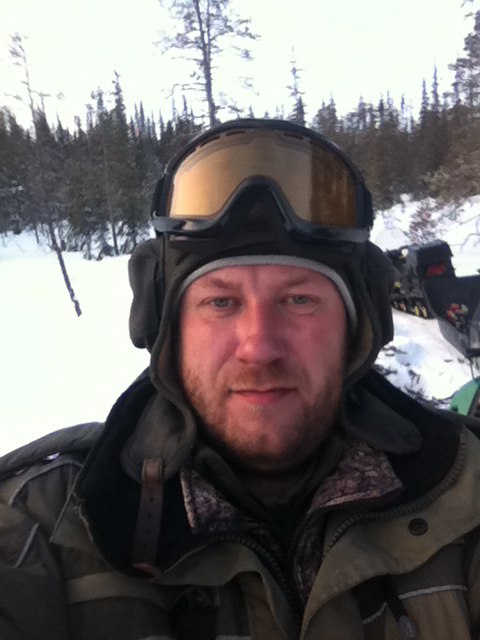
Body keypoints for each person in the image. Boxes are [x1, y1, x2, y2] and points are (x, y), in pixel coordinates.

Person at [1, 119, 480, 640]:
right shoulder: (43, 525)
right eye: (221, 302)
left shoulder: (464, 494)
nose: (259, 346)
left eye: (299, 299)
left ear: (357, 326)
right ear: (166, 327)